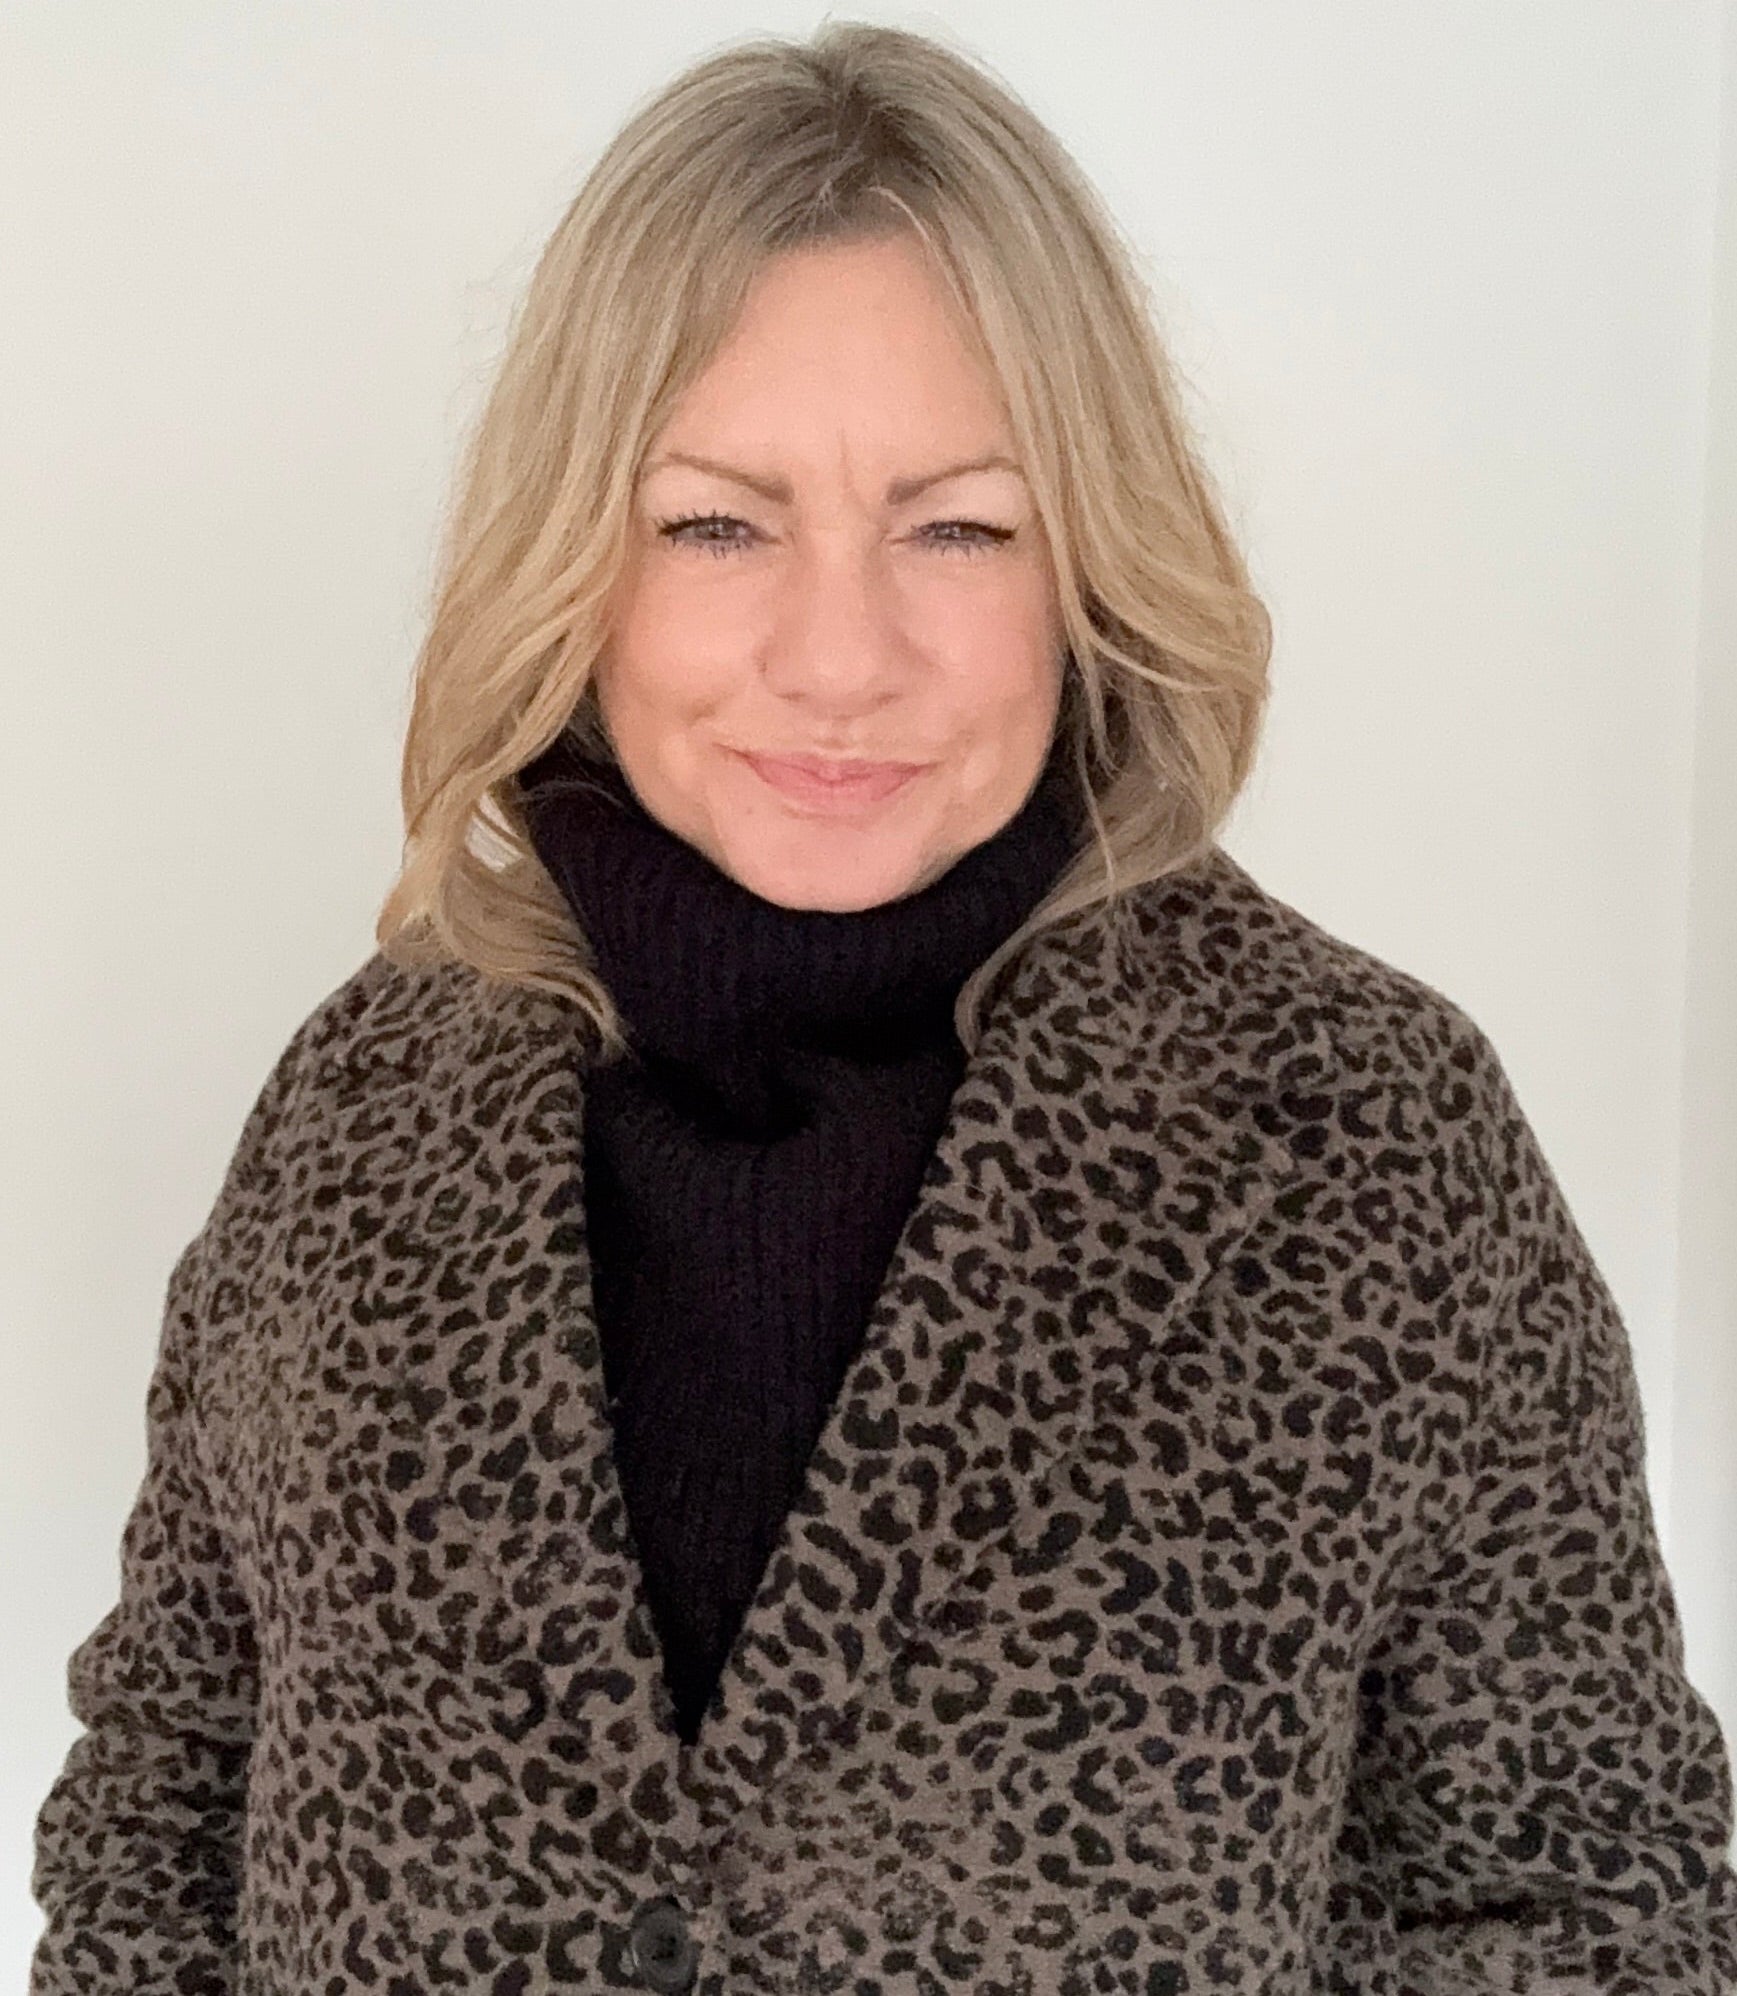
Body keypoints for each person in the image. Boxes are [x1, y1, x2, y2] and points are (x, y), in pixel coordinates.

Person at [28, 20, 1737, 1996]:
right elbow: (158, 1815)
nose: (838, 657)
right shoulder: (366, 1103)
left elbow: (1591, 1910)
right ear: (574, 559)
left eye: (958, 526)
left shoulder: (1355, 1133)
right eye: (714, 522)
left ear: (1086, 566)